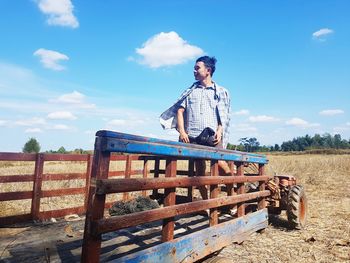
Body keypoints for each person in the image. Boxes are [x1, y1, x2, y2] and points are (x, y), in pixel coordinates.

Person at [160, 56, 233, 200]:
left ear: (208, 70)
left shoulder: (219, 91)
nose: (194, 70)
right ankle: (206, 203)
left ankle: (232, 198)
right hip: (193, 137)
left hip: (211, 136)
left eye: (197, 68)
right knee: (199, 174)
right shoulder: (190, 91)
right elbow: (179, 111)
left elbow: (223, 116)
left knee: (222, 166)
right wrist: (182, 131)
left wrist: (219, 130)